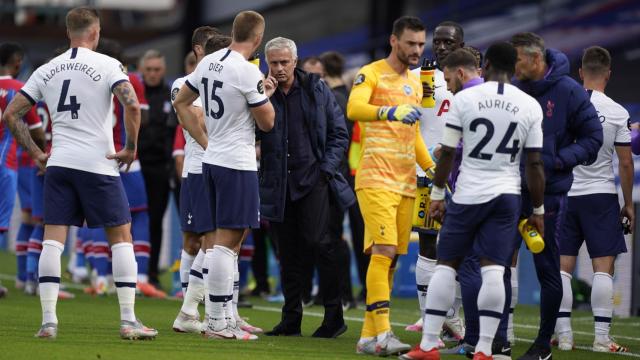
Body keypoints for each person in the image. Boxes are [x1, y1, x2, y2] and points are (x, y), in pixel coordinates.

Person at [2, 7, 156, 339]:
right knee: (121, 237)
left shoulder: (47, 68)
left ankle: (48, 322)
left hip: (59, 164)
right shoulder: (108, 64)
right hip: (98, 164)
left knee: (52, 242)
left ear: (68, 33)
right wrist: (130, 147)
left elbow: (13, 114)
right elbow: (130, 103)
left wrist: (36, 153)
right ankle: (129, 321)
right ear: (96, 33)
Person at [402, 41, 546, 360]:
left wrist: (437, 194)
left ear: (488, 64)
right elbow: (535, 163)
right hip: (507, 195)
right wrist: (538, 209)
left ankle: (427, 345)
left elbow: (449, 152)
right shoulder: (529, 104)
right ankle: (484, 349)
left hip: (468, 193)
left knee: (446, 265)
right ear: (515, 66)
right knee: (494, 270)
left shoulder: (465, 99)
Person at [173, 10, 275, 340]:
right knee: (226, 245)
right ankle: (218, 322)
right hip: (236, 162)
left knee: (218, 242)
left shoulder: (209, 62)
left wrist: (207, 138)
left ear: (233, 32)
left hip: (212, 159)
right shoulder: (247, 72)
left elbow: (183, 103)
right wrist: (263, 95)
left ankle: (221, 317)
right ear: (258, 39)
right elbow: (267, 122)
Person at [509, 32, 603, 360]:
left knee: (547, 269)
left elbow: (593, 138)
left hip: (549, 195)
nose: (513, 65)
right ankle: (497, 338)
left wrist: (558, 160)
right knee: (497, 265)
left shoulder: (569, 91)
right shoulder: (513, 87)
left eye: (517, 58)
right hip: (508, 191)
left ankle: (542, 344)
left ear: (536, 59)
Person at [346, 15, 435, 356]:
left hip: (406, 183)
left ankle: (368, 338)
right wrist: (389, 111)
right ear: (394, 41)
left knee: (392, 259)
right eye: (410, 43)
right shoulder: (372, 72)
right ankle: (384, 333)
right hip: (375, 178)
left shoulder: (415, 83)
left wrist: (434, 170)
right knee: (382, 252)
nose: (416, 50)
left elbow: (413, 136)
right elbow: (354, 108)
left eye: (420, 44)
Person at [258, 37, 350, 338]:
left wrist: (325, 171)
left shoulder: (316, 88)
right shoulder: (260, 92)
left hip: (314, 182)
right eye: (274, 62)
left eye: (285, 62)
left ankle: (334, 318)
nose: (280, 68)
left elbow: (339, 133)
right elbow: (251, 133)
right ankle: (291, 320)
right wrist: (264, 99)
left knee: (323, 246)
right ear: (267, 63)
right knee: (287, 254)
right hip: (279, 184)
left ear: (295, 62)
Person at [554, 46, 633, 353]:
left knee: (562, 267)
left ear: (580, 73)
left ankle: (564, 336)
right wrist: (627, 204)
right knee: (603, 268)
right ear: (609, 75)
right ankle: (601, 338)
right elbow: (626, 163)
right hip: (600, 196)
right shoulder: (617, 111)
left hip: (565, 193)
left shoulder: (564, 106)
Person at [407, 21, 464, 341]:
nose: (441, 47)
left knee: (459, 246)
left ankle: (453, 315)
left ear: (462, 45)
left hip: (463, 175)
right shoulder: (417, 78)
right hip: (424, 174)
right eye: (437, 42)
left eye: (448, 42)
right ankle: (430, 317)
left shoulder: (471, 81)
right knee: (428, 243)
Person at [95, 38, 162, 298]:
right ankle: (141, 276)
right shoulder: (131, 80)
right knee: (140, 215)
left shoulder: (87, 76)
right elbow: (139, 116)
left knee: (102, 218)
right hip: (126, 157)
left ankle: (102, 277)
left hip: (97, 158)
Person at [320, 50, 363, 309]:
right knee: (361, 238)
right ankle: (366, 292)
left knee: (334, 236)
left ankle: (342, 293)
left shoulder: (333, 100)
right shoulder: (354, 100)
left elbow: (336, 140)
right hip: (358, 174)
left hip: (339, 176)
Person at [0, 42, 44, 285]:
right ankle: (28, 277)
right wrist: (40, 153)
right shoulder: (19, 90)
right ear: (17, 62)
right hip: (5, 163)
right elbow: (37, 130)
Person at [139, 49, 178, 288]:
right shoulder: (133, 92)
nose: (153, 74)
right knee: (128, 221)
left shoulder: (171, 95)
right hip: (135, 165)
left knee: (155, 220)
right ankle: (126, 273)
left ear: (163, 70)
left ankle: (152, 274)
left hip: (161, 168)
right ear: (143, 70)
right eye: (149, 69)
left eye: (157, 70)